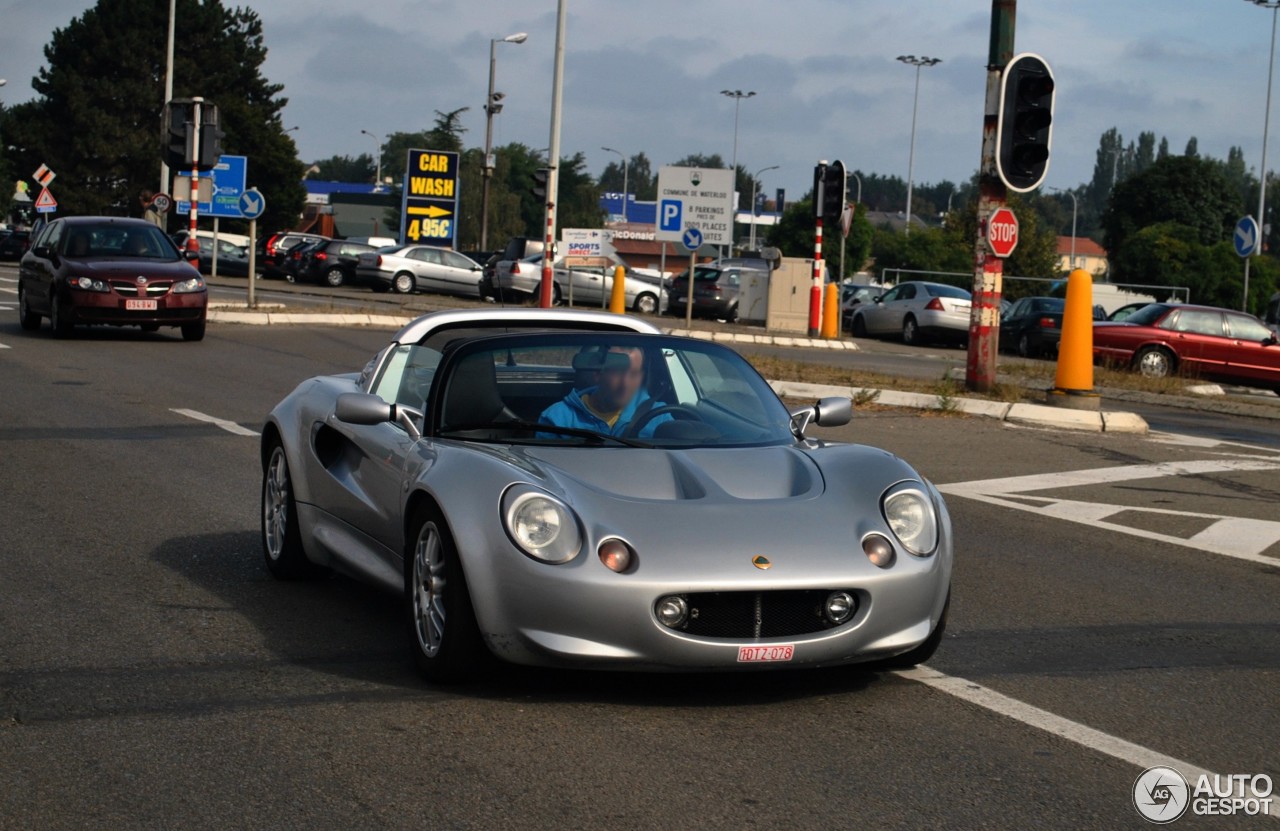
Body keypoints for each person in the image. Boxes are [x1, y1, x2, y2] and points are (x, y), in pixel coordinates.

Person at [539, 345, 671, 438]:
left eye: (634, 374)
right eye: (617, 372)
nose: (625, 384)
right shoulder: (557, 419)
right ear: (597, 374)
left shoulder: (658, 416)